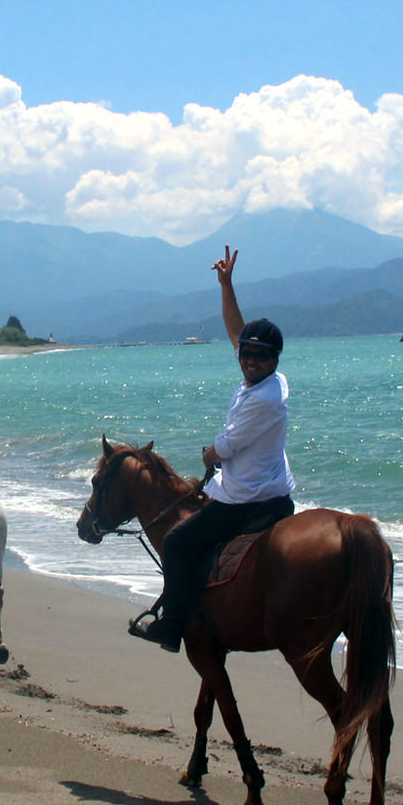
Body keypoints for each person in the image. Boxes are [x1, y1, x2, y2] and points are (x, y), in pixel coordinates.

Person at [129, 245, 294, 651]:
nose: (250, 360)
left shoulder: (265, 399)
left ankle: (170, 629)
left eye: (260, 356)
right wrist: (226, 284)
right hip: (275, 492)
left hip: (247, 499)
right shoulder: (267, 379)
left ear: (274, 360)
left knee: (179, 542)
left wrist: (208, 454)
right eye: (247, 354)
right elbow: (236, 327)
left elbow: (228, 445)